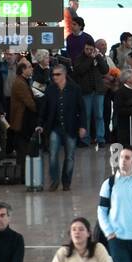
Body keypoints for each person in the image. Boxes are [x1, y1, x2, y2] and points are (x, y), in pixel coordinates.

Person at [39, 63, 86, 191]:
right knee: (53, 155)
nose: (55, 77)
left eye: (58, 74)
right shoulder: (50, 89)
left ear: (64, 74)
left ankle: (66, 181)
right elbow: (44, 108)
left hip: (71, 127)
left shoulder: (74, 89)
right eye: (53, 74)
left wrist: (83, 126)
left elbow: (81, 109)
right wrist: (40, 124)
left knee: (70, 156)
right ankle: (54, 180)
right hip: (55, 127)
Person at [49, 216, 114, 262]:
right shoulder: (63, 251)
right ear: (70, 234)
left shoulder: (98, 248)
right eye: (74, 230)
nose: (77, 232)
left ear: (88, 233)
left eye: (81, 229)